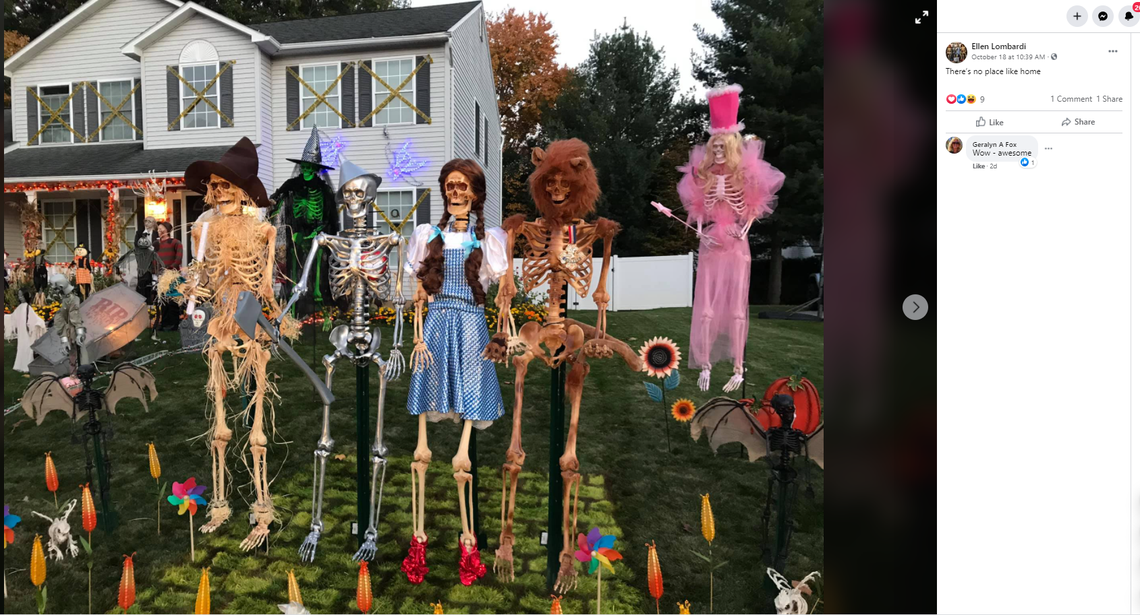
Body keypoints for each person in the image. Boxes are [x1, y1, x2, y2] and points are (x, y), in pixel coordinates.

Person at [155, 221, 183, 331]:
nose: (159, 230)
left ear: (168, 230)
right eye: (158, 229)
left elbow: (178, 258)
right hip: (161, 275)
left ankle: (173, 324)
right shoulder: (156, 244)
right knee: (163, 300)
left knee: (172, 300)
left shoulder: (175, 242)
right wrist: (155, 270)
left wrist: (171, 268)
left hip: (172, 275)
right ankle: (164, 323)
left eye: (162, 228)